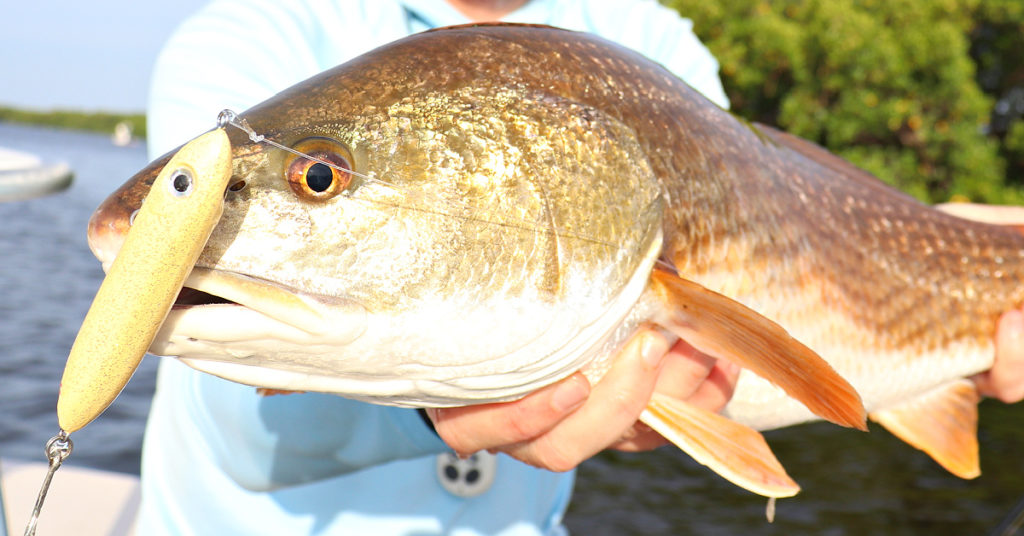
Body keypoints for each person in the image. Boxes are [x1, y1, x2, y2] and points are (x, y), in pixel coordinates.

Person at [138, 1, 1024, 534]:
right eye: (318, 177)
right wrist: (435, 418)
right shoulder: (250, 39)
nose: (315, 181)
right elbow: (219, 390)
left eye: (319, 178)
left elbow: (790, 213)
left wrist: (959, 255)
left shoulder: (650, 39)